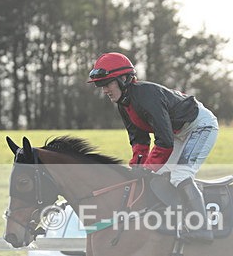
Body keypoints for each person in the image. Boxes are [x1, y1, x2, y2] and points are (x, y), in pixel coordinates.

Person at [88, 52, 219, 243]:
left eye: (107, 84)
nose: (104, 90)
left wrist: (148, 168)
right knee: (161, 174)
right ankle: (175, 219)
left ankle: (202, 229)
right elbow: (139, 139)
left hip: (200, 126)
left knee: (180, 174)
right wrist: (138, 167)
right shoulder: (124, 104)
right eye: (101, 85)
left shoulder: (147, 95)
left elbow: (164, 140)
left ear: (123, 80)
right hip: (178, 133)